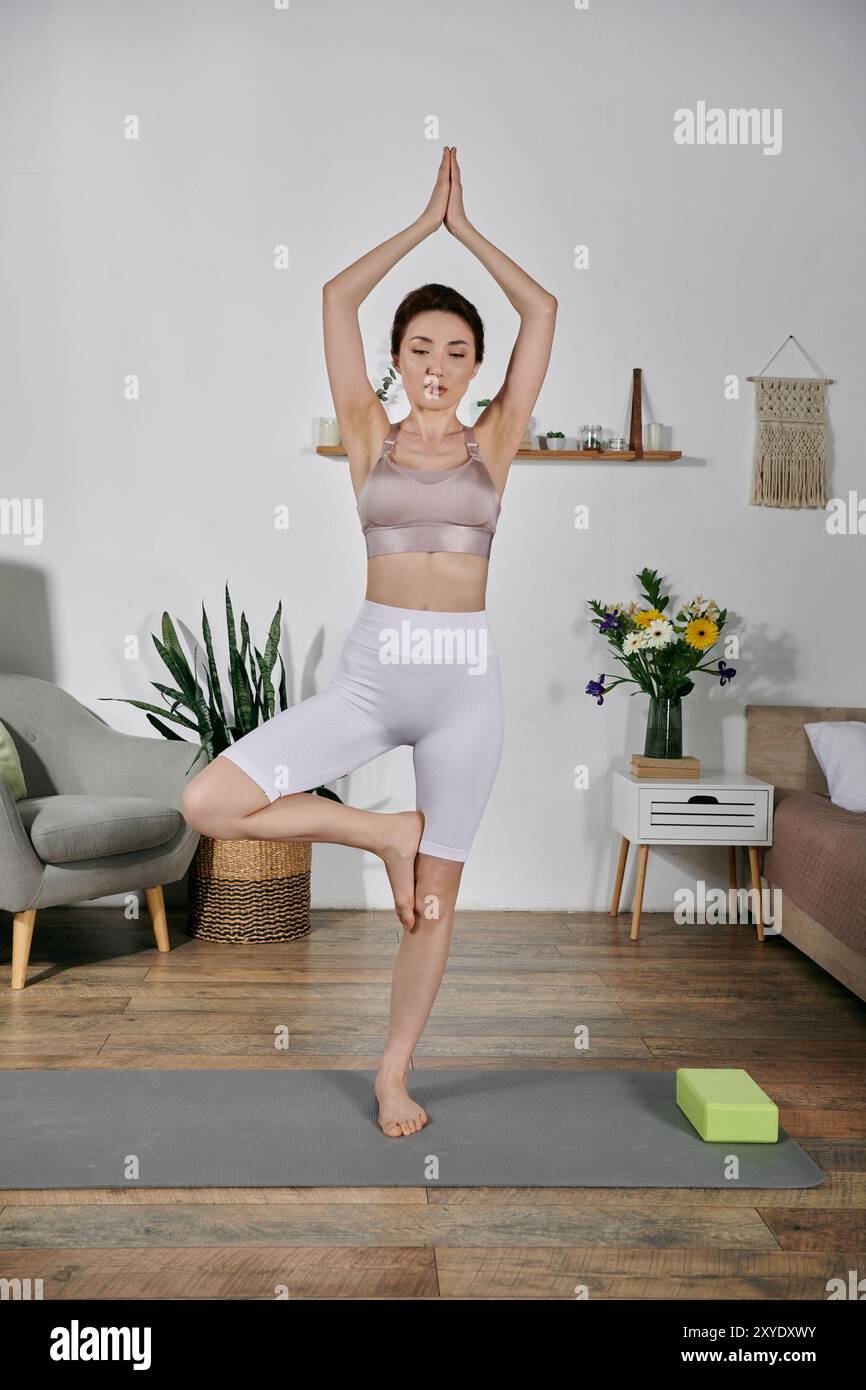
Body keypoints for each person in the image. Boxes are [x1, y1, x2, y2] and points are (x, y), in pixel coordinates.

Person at [181, 147, 557, 1137]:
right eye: (421, 348)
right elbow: (335, 294)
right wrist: (420, 224)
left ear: (477, 368)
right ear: (397, 357)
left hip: (463, 686)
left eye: (457, 353)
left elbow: (545, 311)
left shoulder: (496, 438)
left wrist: (467, 230)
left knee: (434, 904)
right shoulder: (366, 430)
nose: (438, 368)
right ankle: (382, 832)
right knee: (212, 800)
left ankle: (393, 1072)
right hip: (374, 673)